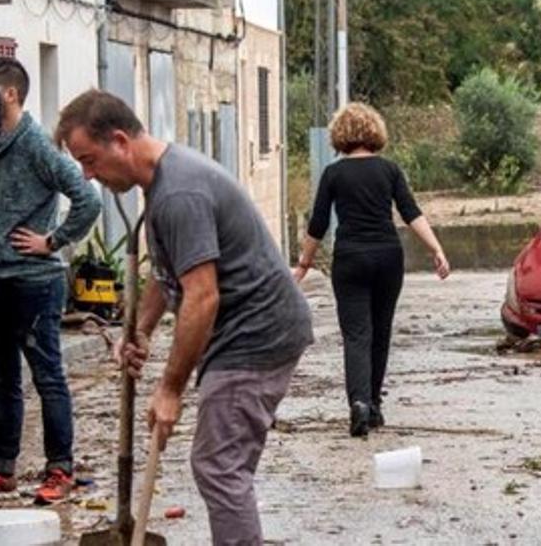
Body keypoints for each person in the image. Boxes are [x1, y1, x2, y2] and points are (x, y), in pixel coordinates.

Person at [55, 89, 313, 545]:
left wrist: (170, 388)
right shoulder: (163, 184)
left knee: (219, 465)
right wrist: (142, 329)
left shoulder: (178, 193)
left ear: (119, 140)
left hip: (256, 336)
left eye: (89, 160)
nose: (87, 174)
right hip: (251, 331)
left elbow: (202, 297)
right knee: (223, 465)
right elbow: (171, 269)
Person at [0, 57, 101, 504]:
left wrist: (53, 241)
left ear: (9, 93)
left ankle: (59, 468)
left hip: (34, 281)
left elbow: (86, 198)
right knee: (3, 380)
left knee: (47, 377)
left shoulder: (37, 144)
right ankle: (2, 467)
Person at [292, 102, 450, 438]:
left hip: (350, 259)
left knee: (356, 335)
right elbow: (411, 213)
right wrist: (436, 249)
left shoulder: (333, 174)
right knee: (380, 332)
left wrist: (304, 264)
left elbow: (318, 224)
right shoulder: (390, 170)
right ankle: (375, 403)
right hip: (387, 258)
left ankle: (359, 403)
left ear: (340, 136)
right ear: (375, 133)